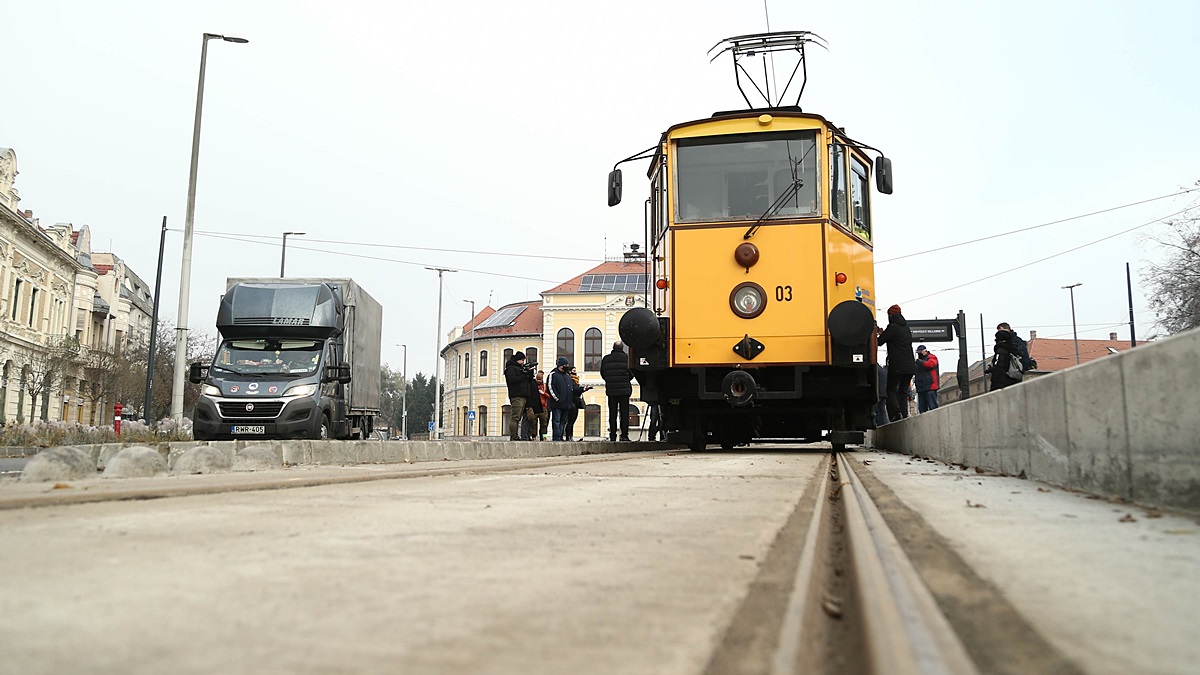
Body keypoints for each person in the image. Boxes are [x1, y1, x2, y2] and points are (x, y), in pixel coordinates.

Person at [877, 304, 916, 422]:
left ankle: (896, 413)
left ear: (891, 315)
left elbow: (879, 342)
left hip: (897, 365)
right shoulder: (906, 327)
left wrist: (880, 334)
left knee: (891, 389)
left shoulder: (893, 327)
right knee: (903, 391)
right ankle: (904, 415)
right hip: (910, 366)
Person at [600, 341, 634, 441]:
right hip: (624, 390)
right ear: (623, 348)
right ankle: (624, 435)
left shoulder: (606, 359)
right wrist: (626, 380)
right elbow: (632, 373)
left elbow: (603, 373)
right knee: (624, 413)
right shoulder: (627, 358)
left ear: (613, 348)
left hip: (611, 390)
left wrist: (610, 380)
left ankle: (613, 435)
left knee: (612, 413)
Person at [504, 351, 531, 441]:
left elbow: (528, 381)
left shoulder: (520, 369)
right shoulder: (511, 369)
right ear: (517, 360)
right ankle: (514, 436)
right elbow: (513, 380)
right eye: (522, 360)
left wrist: (529, 373)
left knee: (519, 417)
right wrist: (524, 374)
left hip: (523, 395)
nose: (523, 362)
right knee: (515, 417)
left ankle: (516, 435)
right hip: (516, 395)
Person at [546, 357, 575, 441]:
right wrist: (556, 398)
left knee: (563, 422)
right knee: (556, 421)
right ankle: (556, 437)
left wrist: (582, 389)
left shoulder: (567, 376)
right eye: (565, 365)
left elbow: (572, 388)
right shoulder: (553, 374)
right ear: (560, 365)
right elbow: (550, 387)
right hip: (557, 403)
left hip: (566, 403)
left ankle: (561, 437)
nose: (567, 366)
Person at [914, 345, 940, 413]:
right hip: (921, 387)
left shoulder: (931, 357)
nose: (919, 354)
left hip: (930, 386)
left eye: (921, 352)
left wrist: (918, 361)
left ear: (925, 351)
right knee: (922, 410)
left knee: (933, 407)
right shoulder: (918, 362)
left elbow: (930, 364)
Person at [565, 366, 589, 441]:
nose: (575, 372)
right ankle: (568, 436)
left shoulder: (575, 380)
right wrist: (582, 389)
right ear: (569, 371)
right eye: (573, 370)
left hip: (575, 402)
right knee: (570, 421)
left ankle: (570, 436)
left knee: (572, 421)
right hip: (572, 403)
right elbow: (574, 390)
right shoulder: (570, 380)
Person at [532, 370, 550, 441]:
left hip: (543, 406)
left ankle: (544, 437)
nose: (539, 381)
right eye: (538, 379)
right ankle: (534, 436)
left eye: (540, 379)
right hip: (535, 406)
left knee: (544, 424)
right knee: (534, 423)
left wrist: (543, 393)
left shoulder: (545, 386)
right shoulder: (533, 385)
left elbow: (548, 396)